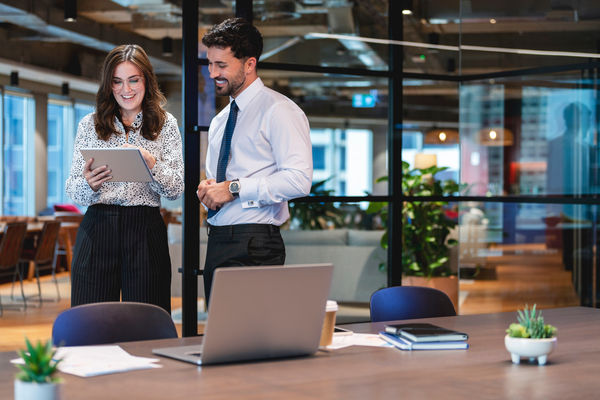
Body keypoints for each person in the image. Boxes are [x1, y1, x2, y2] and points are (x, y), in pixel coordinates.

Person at [197, 18, 313, 304]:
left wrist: (235, 188)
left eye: (221, 65)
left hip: (255, 243)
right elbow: (219, 184)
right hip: (218, 240)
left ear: (249, 64)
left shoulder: (280, 111)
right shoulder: (220, 120)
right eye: (210, 64)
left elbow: (299, 180)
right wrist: (208, 193)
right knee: (224, 339)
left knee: (253, 340)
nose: (213, 73)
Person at [66, 44, 184, 313]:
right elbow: (73, 189)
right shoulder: (89, 124)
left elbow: (176, 188)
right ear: (109, 85)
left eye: (134, 80)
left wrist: (151, 164)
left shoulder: (166, 125)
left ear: (147, 81)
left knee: (146, 321)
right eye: (117, 81)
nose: (126, 90)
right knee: (90, 322)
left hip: (145, 228)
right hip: (97, 227)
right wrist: (89, 183)